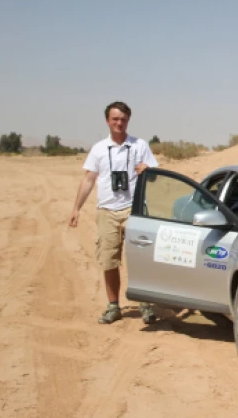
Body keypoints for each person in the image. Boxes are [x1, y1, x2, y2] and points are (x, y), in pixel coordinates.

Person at [69, 101, 160, 325]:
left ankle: (145, 304)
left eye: (123, 119)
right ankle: (113, 306)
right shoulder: (99, 149)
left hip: (134, 210)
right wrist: (76, 208)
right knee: (109, 260)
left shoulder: (139, 145)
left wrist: (148, 171)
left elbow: (155, 175)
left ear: (129, 120)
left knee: (139, 258)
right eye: (115, 119)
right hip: (107, 211)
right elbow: (89, 179)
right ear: (107, 121)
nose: (119, 123)